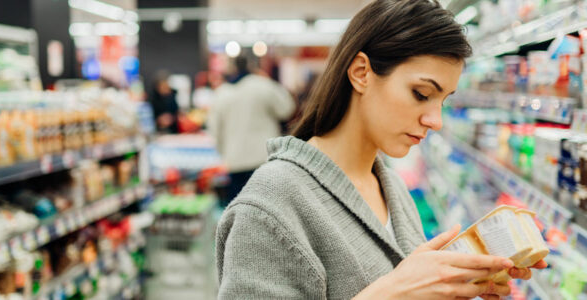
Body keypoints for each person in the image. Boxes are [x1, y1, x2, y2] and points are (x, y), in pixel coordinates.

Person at [215, 0, 547, 299]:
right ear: (361, 73)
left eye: (444, 100)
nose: (436, 121)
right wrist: (395, 291)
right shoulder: (270, 206)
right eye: (421, 94)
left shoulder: (393, 189)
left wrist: (449, 285)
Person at [208, 56, 295, 206]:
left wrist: (224, 153)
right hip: (264, 157)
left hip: (235, 161)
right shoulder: (263, 85)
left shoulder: (222, 93)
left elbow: (214, 129)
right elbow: (286, 109)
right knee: (268, 209)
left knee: (238, 211)